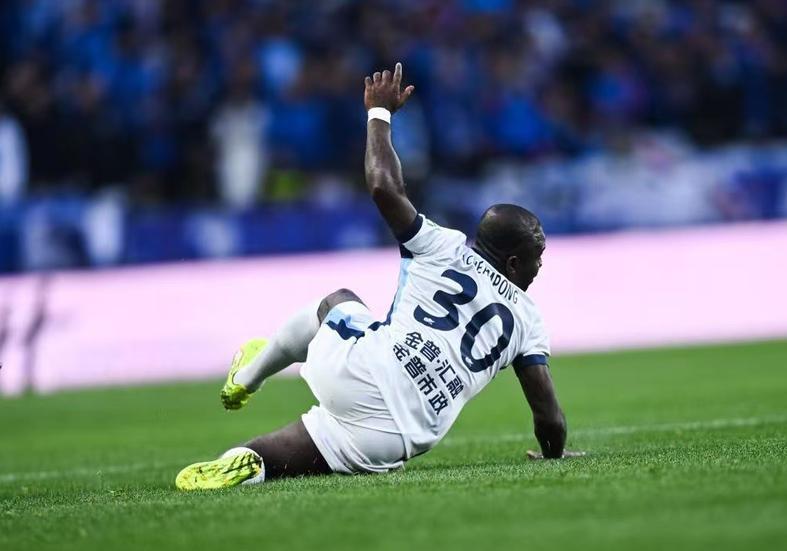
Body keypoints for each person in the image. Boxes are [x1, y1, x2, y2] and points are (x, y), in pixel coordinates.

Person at [175, 63, 581, 490]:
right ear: (513, 264)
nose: (540, 266)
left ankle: (249, 377)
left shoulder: (442, 246)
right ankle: (253, 461)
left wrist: (378, 113)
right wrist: (554, 454)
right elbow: (549, 417)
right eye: (537, 257)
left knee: (337, 301)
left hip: (364, 373)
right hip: (401, 436)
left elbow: (384, 188)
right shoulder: (528, 320)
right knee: (278, 458)